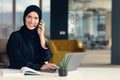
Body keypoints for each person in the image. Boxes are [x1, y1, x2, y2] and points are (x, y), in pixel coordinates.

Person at [7, 5, 57, 71]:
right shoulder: (15, 36)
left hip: (39, 73)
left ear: (39, 21)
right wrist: (40, 67)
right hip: (19, 74)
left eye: (36, 18)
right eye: (29, 17)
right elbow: (16, 61)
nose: (32, 21)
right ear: (24, 18)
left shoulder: (39, 36)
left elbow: (47, 58)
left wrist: (41, 36)